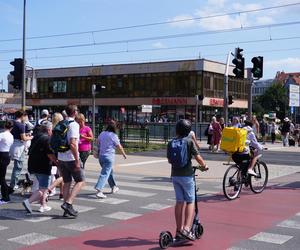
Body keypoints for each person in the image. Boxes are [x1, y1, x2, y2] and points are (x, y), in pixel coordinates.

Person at [167, 119, 208, 241]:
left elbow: (170, 160)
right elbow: (198, 158)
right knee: (190, 201)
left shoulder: (171, 142)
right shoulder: (189, 142)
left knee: (179, 201)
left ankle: (178, 230)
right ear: (188, 131)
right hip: (187, 176)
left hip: (175, 175)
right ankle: (186, 229)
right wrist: (204, 166)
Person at [22, 121, 57, 213]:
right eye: (51, 129)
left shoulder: (36, 137)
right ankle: (28, 201)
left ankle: (43, 205)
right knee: (44, 188)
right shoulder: (47, 139)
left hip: (33, 164)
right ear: (49, 129)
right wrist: (57, 162)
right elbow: (50, 154)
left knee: (42, 185)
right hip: (43, 165)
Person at [58, 105, 85, 217]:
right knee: (80, 181)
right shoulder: (73, 125)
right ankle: (68, 204)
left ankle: (66, 210)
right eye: (77, 110)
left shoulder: (61, 123)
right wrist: (77, 160)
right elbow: (73, 143)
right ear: (74, 112)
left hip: (61, 157)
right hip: (71, 158)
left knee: (67, 182)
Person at [95, 120, 127, 199]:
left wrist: (98, 150)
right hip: (109, 157)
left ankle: (113, 187)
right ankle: (99, 190)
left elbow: (97, 142)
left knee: (109, 172)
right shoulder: (113, 136)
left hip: (101, 157)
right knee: (105, 173)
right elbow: (119, 146)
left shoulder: (102, 133)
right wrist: (124, 154)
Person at [9, 110, 33, 190]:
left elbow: (17, 134)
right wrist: (31, 137)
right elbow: (23, 138)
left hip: (13, 145)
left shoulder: (13, 123)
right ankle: (13, 184)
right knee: (18, 166)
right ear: (22, 116)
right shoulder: (21, 125)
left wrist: (25, 134)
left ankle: (13, 183)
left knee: (16, 166)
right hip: (19, 146)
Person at [47, 112, 64, 200]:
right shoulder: (61, 129)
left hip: (51, 153)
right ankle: (60, 193)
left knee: (54, 173)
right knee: (62, 174)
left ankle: (58, 192)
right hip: (60, 153)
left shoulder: (50, 128)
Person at [0, 121, 14, 204]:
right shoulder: (11, 136)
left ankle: (6, 197)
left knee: (2, 178)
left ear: (4, 126)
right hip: (6, 155)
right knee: (1, 177)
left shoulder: (2, 134)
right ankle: (8, 190)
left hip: (1, 155)